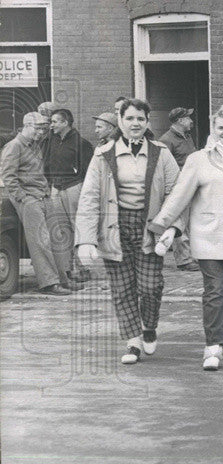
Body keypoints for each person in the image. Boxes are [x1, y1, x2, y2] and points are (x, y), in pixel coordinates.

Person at [149, 108, 223, 371]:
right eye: (221, 128)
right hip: (209, 237)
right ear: (213, 128)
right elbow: (180, 196)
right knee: (215, 291)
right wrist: (162, 225)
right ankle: (213, 345)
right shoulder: (198, 160)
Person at [76, 99, 179, 363]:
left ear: (147, 122)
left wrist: (171, 228)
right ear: (120, 121)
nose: (135, 124)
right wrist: (86, 240)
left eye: (140, 119)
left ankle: (149, 327)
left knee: (151, 287)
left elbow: (175, 193)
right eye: (130, 118)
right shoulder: (103, 154)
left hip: (150, 228)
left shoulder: (161, 152)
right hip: (115, 228)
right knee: (122, 289)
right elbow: (89, 197)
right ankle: (132, 342)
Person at [0, 112, 76, 295]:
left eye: (44, 129)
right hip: (28, 199)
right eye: (38, 128)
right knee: (41, 241)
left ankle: (63, 279)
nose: (41, 132)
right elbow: (8, 177)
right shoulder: (14, 146)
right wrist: (23, 199)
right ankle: (49, 283)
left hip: (42, 196)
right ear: (26, 125)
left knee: (57, 238)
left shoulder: (34, 145)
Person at [44, 108, 94, 284]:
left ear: (65, 123)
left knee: (78, 227)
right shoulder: (52, 141)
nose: (52, 125)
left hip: (74, 188)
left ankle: (84, 269)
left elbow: (89, 171)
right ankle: (68, 269)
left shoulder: (82, 144)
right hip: (55, 189)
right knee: (62, 230)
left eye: (55, 122)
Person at [156, 107, 201, 272]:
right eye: (188, 118)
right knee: (178, 222)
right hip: (178, 188)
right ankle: (183, 260)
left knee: (189, 222)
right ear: (180, 120)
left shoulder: (187, 137)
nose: (191, 121)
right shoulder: (166, 140)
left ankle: (192, 256)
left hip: (191, 185)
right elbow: (162, 167)